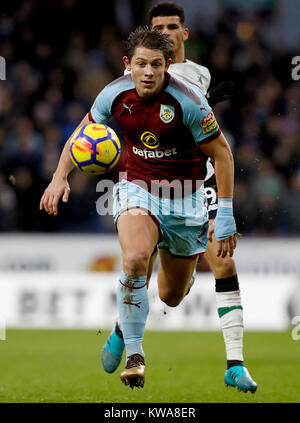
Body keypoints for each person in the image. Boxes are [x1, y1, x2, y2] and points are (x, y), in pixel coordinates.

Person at [40, 26, 236, 389]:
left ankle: (121, 325)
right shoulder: (114, 93)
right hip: (137, 189)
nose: (148, 72)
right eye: (142, 64)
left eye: (157, 65)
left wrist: (223, 211)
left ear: (167, 65)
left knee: (171, 297)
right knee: (134, 260)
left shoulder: (189, 102)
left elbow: (221, 155)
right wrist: (59, 176)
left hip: (186, 198)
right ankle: (135, 353)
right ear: (128, 64)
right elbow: (83, 134)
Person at [101, 2, 257, 394]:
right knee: (140, 256)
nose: (167, 32)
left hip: (196, 181)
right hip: (152, 180)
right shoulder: (139, 73)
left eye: (173, 26)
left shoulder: (197, 74)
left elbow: (200, 121)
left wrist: (225, 210)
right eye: (159, 27)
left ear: (184, 34)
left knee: (219, 261)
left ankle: (235, 363)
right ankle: (129, 333)